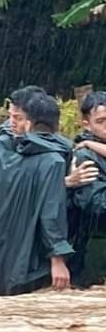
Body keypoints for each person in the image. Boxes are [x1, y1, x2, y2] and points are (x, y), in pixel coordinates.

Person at [0, 89, 74, 295]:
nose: (11, 123)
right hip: (32, 264)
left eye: (17, 118)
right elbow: (50, 213)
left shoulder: (9, 152)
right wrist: (58, 259)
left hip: (1, 260)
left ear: (29, 123)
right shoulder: (53, 160)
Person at [65, 91, 106, 288]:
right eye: (101, 121)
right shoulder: (85, 157)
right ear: (87, 124)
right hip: (93, 252)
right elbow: (97, 206)